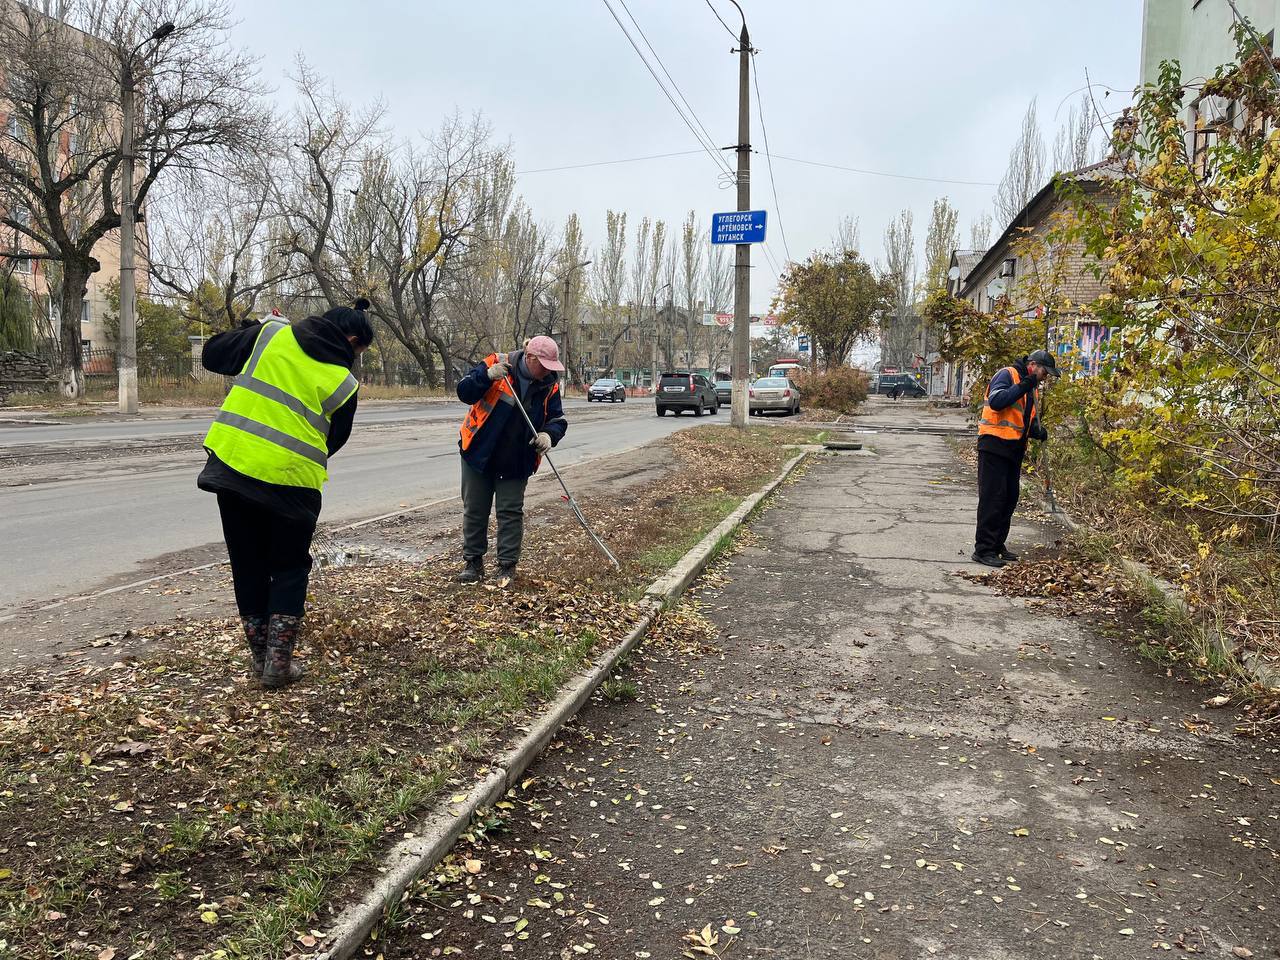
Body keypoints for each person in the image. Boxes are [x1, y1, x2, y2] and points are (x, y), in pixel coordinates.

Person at [197, 300, 374, 687]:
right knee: (290, 567)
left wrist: (252, 327)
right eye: (359, 352)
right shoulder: (345, 383)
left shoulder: (271, 334)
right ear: (351, 340)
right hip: (294, 484)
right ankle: (278, 663)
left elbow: (213, 355)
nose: (355, 360)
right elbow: (335, 439)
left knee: (247, 564)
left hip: (235, 467)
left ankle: (261, 657)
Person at [455, 335, 568, 586]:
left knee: (510, 512)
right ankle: (473, 562)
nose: (547, 372)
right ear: (530, 357)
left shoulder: (549, 384)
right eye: (544, 365)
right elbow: (464, 391)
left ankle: (507, 566)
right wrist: (486, 376)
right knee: (475, 509)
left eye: (551, 367)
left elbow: (557, 420)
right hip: (479, 452)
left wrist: (549, 435)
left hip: (517, 458)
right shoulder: (497, 363)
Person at [971, 348, 1057, 568]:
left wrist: (1036, 431)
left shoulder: (1030, 388)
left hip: (1013, 449)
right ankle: (983, 550)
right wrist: (1025, 385)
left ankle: (997, 544)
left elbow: (1021, 419)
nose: (1045, 378)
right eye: (1044, 373)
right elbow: (998, 402)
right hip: (994, 445)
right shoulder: (1008, 375)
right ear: (1033, 366)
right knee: (993, 498)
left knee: (1009, 498)